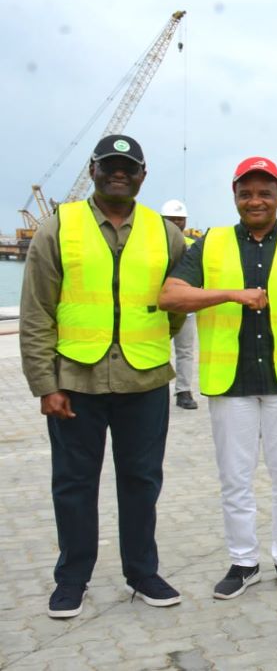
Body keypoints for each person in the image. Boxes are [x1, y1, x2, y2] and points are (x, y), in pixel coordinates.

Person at [20, 134, 187, 618]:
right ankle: (72, 578)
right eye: (110, 165)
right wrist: (45, 384)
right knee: (73, 483)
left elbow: (176, 305)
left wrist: (152, 340)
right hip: (76, 382)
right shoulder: (60, 227)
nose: (119, 173)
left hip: (145, 381)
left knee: (141, 481)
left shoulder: (165, 233)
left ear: (142, 175)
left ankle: (143, 573)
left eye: (128, 167)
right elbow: (35, 313)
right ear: (93, 169)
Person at [158, 156, 277, 599]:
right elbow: (170, 296)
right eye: (246, 193)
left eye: (264, 192)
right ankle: (243, 561)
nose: (255, 200)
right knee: (235, 478)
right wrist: (231, 294)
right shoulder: (210, 243)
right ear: (235, 197)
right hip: (230, 381)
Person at [160, 199, 198, 410]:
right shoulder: (153, 244)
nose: (176, 223)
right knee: (160, 350)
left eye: (179, 219)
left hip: (186, 310)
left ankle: (183, 390)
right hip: (160, 310)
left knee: (185, 351)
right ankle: (157, 390)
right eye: (171, 219)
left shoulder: (192, 245)